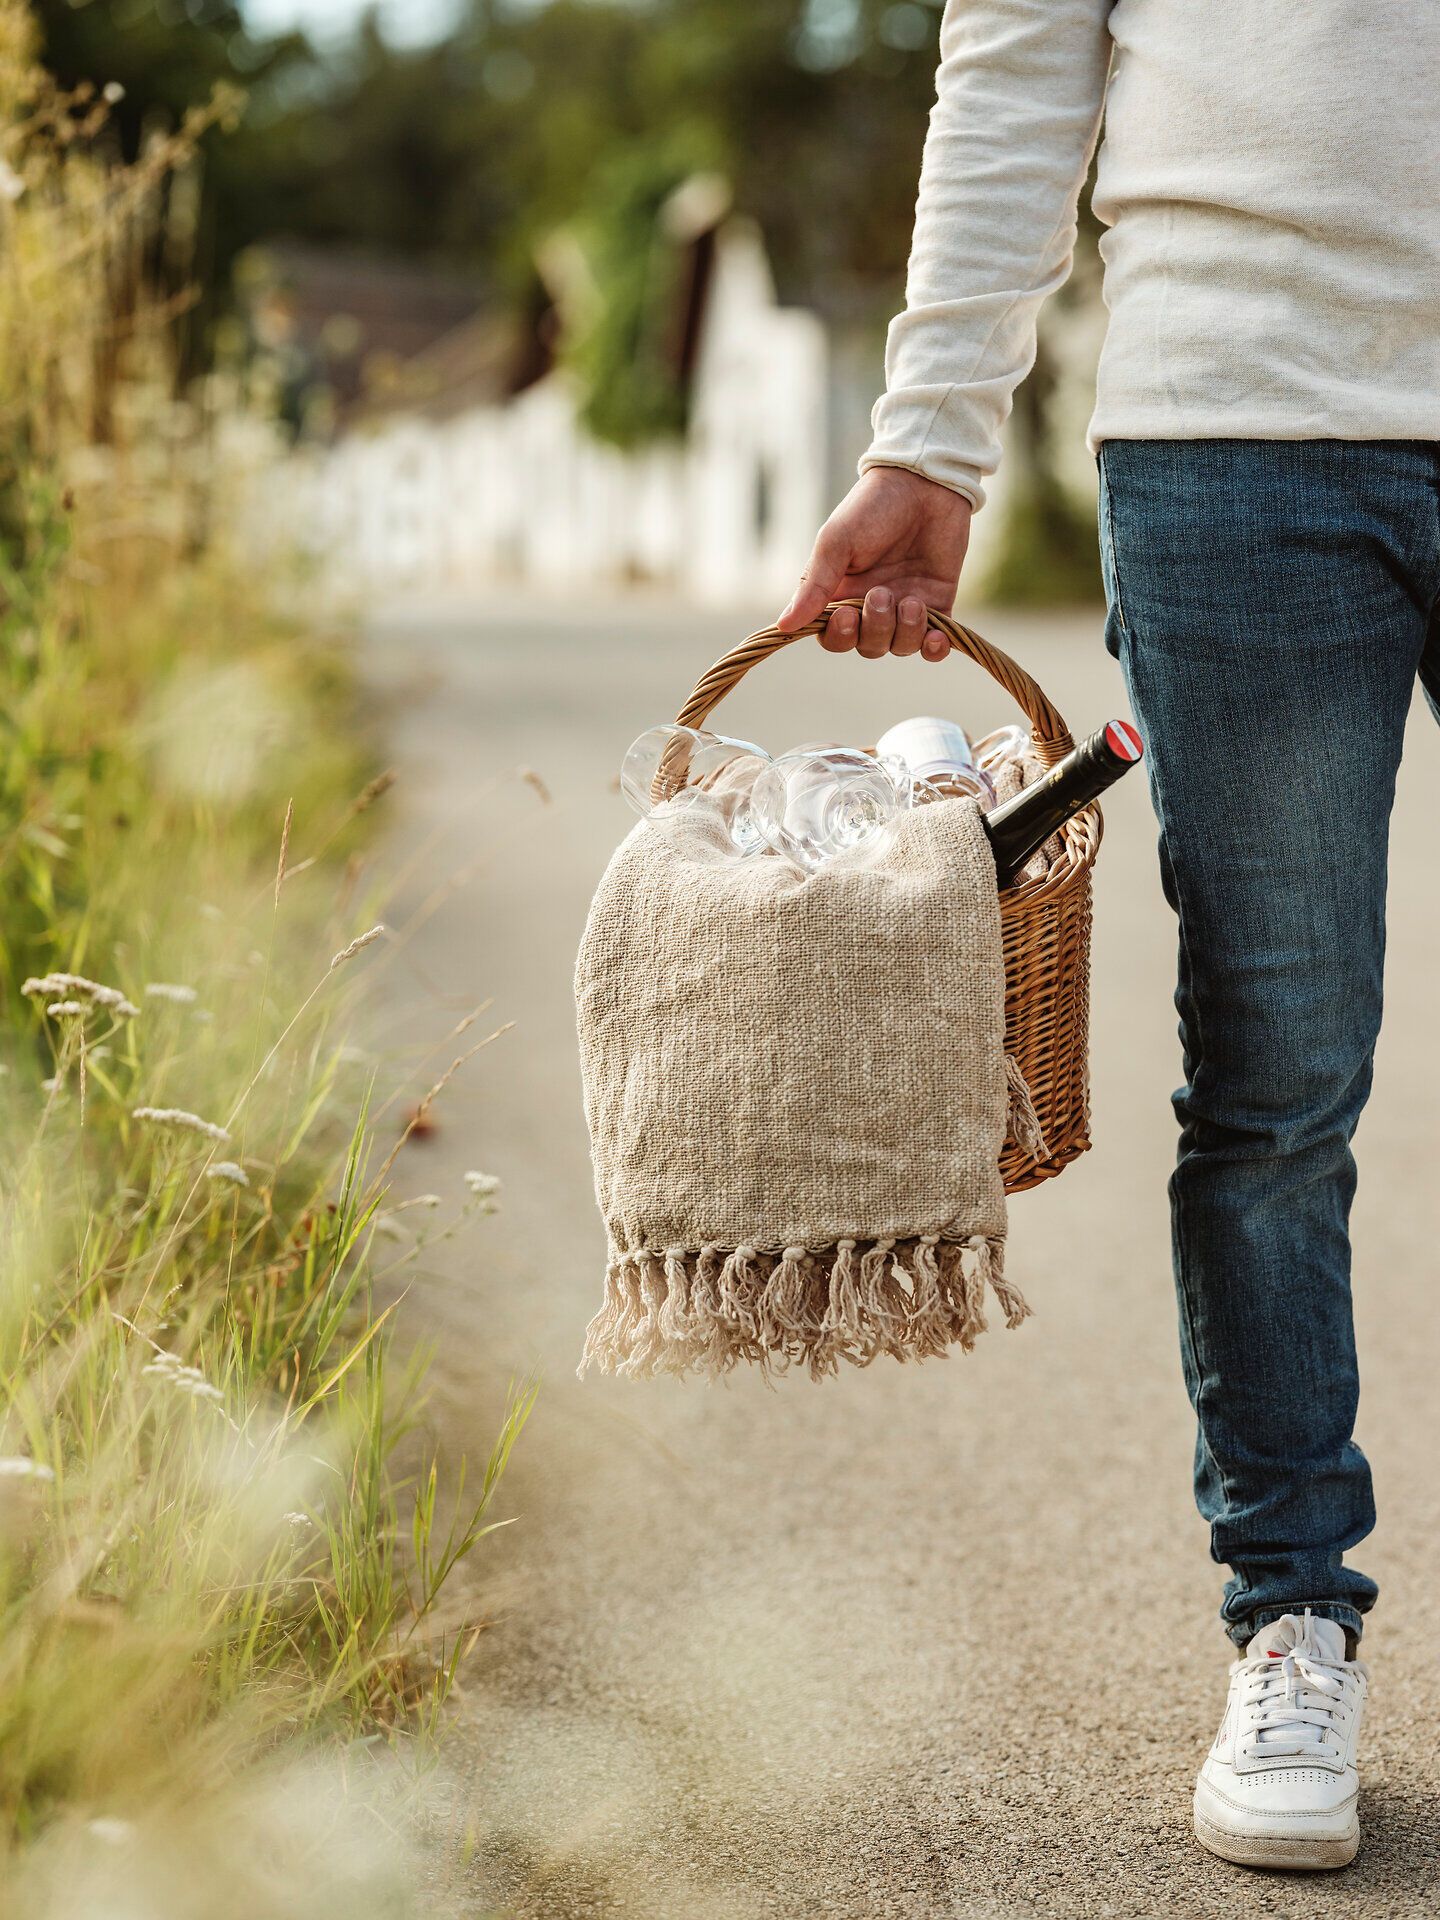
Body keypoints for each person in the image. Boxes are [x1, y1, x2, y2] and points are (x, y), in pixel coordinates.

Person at [777, 0, 1440, 1874]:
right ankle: (1293, 1618)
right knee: (1281, 1077)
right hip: (1242, 432)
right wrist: (931, 439)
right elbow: (1013, 69)